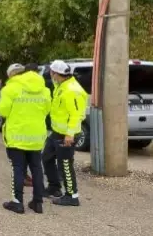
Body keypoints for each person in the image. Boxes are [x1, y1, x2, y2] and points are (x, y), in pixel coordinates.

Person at [0, 63, 51, 214]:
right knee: (37, 168)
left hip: (17, 136)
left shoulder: (11, 88)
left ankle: (17, 203)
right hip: (36, 136)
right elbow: (47, 110)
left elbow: (2, 111)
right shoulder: (45, 90)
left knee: (18, 168)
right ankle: (38, 202)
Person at [43, 60, 88, 207]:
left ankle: (72, 196)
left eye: (51, 72)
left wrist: (69, 134)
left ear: (56, 74)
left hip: (67, 135)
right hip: (57, 132)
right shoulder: (61, 85)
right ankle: (54, 187)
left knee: (65, 165)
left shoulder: (71, 90)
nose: (50, 75)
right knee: (47, 158)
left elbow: (75, 114)